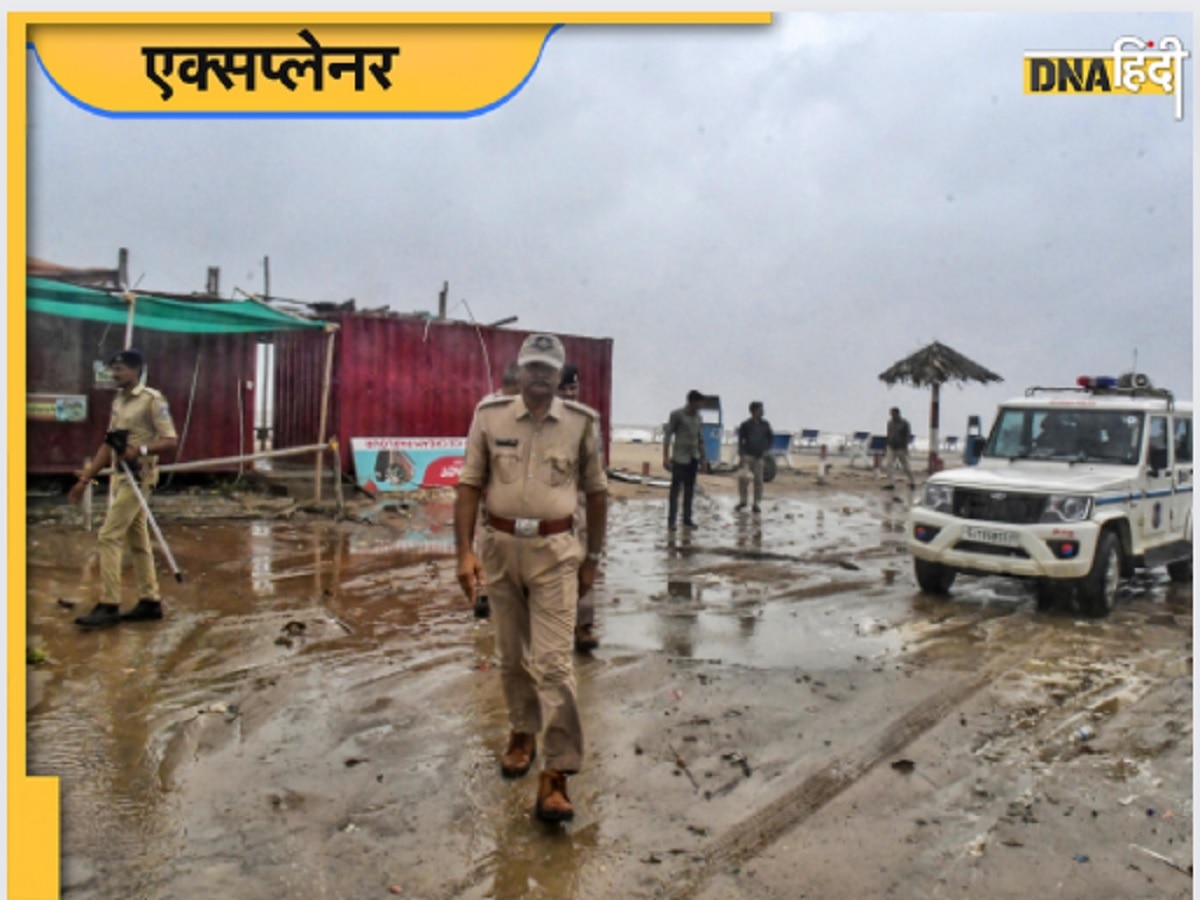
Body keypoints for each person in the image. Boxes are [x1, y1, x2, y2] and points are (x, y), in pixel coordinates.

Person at [454, 333, 608, 823]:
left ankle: (556, 774)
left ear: (561, 376)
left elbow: (597, 493)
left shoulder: (583, 425)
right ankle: (522, 732)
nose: (540, 375)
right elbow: (470, 484)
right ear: (519, 371)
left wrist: (593, 559)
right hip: (499, 551)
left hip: (555, 554)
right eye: (532, 366)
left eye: (549, 368)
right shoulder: (490, 415)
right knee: (509, 658)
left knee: (555, 665)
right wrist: (463, 552)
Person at [67, 348, 179, 627]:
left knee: (108, 535)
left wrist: (138, 450)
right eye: (113, 369)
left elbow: (169, 440)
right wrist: (85, 479)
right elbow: (109, 443)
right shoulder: (118, 401)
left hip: (139, 476)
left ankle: (109, 604)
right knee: (138, 539)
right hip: (120, 476)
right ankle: (150, 601)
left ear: (135, 370)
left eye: (119, 369)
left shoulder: (152, 400)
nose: (114, 374)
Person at [557, 362, 598, 653]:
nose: (570, 394)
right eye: (565, 388)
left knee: (583, 563)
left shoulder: (586, 421)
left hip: (578, 504)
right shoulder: (538, 421)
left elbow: (597, 471)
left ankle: (583, 628)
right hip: (547, 506)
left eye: (574, 387)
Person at [663, 390, 707, 530]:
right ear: (692, 401)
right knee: (675, 491)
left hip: (693, 458)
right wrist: (665, 456)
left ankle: (687, 519)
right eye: (699, 402)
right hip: (680, 458)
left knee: (690, 490)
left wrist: (704, 459)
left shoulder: (699, 418)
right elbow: (668, 435)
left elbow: (700, 439)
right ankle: (672, 521)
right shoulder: (677, 415)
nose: (701, 405)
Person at [735, 401, 774, 513]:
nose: (762, 411)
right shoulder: (745, 425)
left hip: (759, 457)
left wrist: (766, 450)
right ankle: (743, 501)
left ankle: (756, 503)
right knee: (743, 479)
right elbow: (740, 441)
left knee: (758, 480)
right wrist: (741, 454)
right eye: (760, 409)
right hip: (747, 455)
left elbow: (770, 438)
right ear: (753, 411)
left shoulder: (765, 425)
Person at [883, 406, 915, 490]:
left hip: (901, 447)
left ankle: (912, 482)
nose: (892, 416)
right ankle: (891, 483)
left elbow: (907, 436)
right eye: (891, 414)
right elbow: (889, 434)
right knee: (889, 465)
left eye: (893, 414)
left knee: (906, 466)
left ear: (897, 414)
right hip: (891, 447)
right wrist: (888, 443)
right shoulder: (890, 423)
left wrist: (906, 447)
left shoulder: (904, 423)